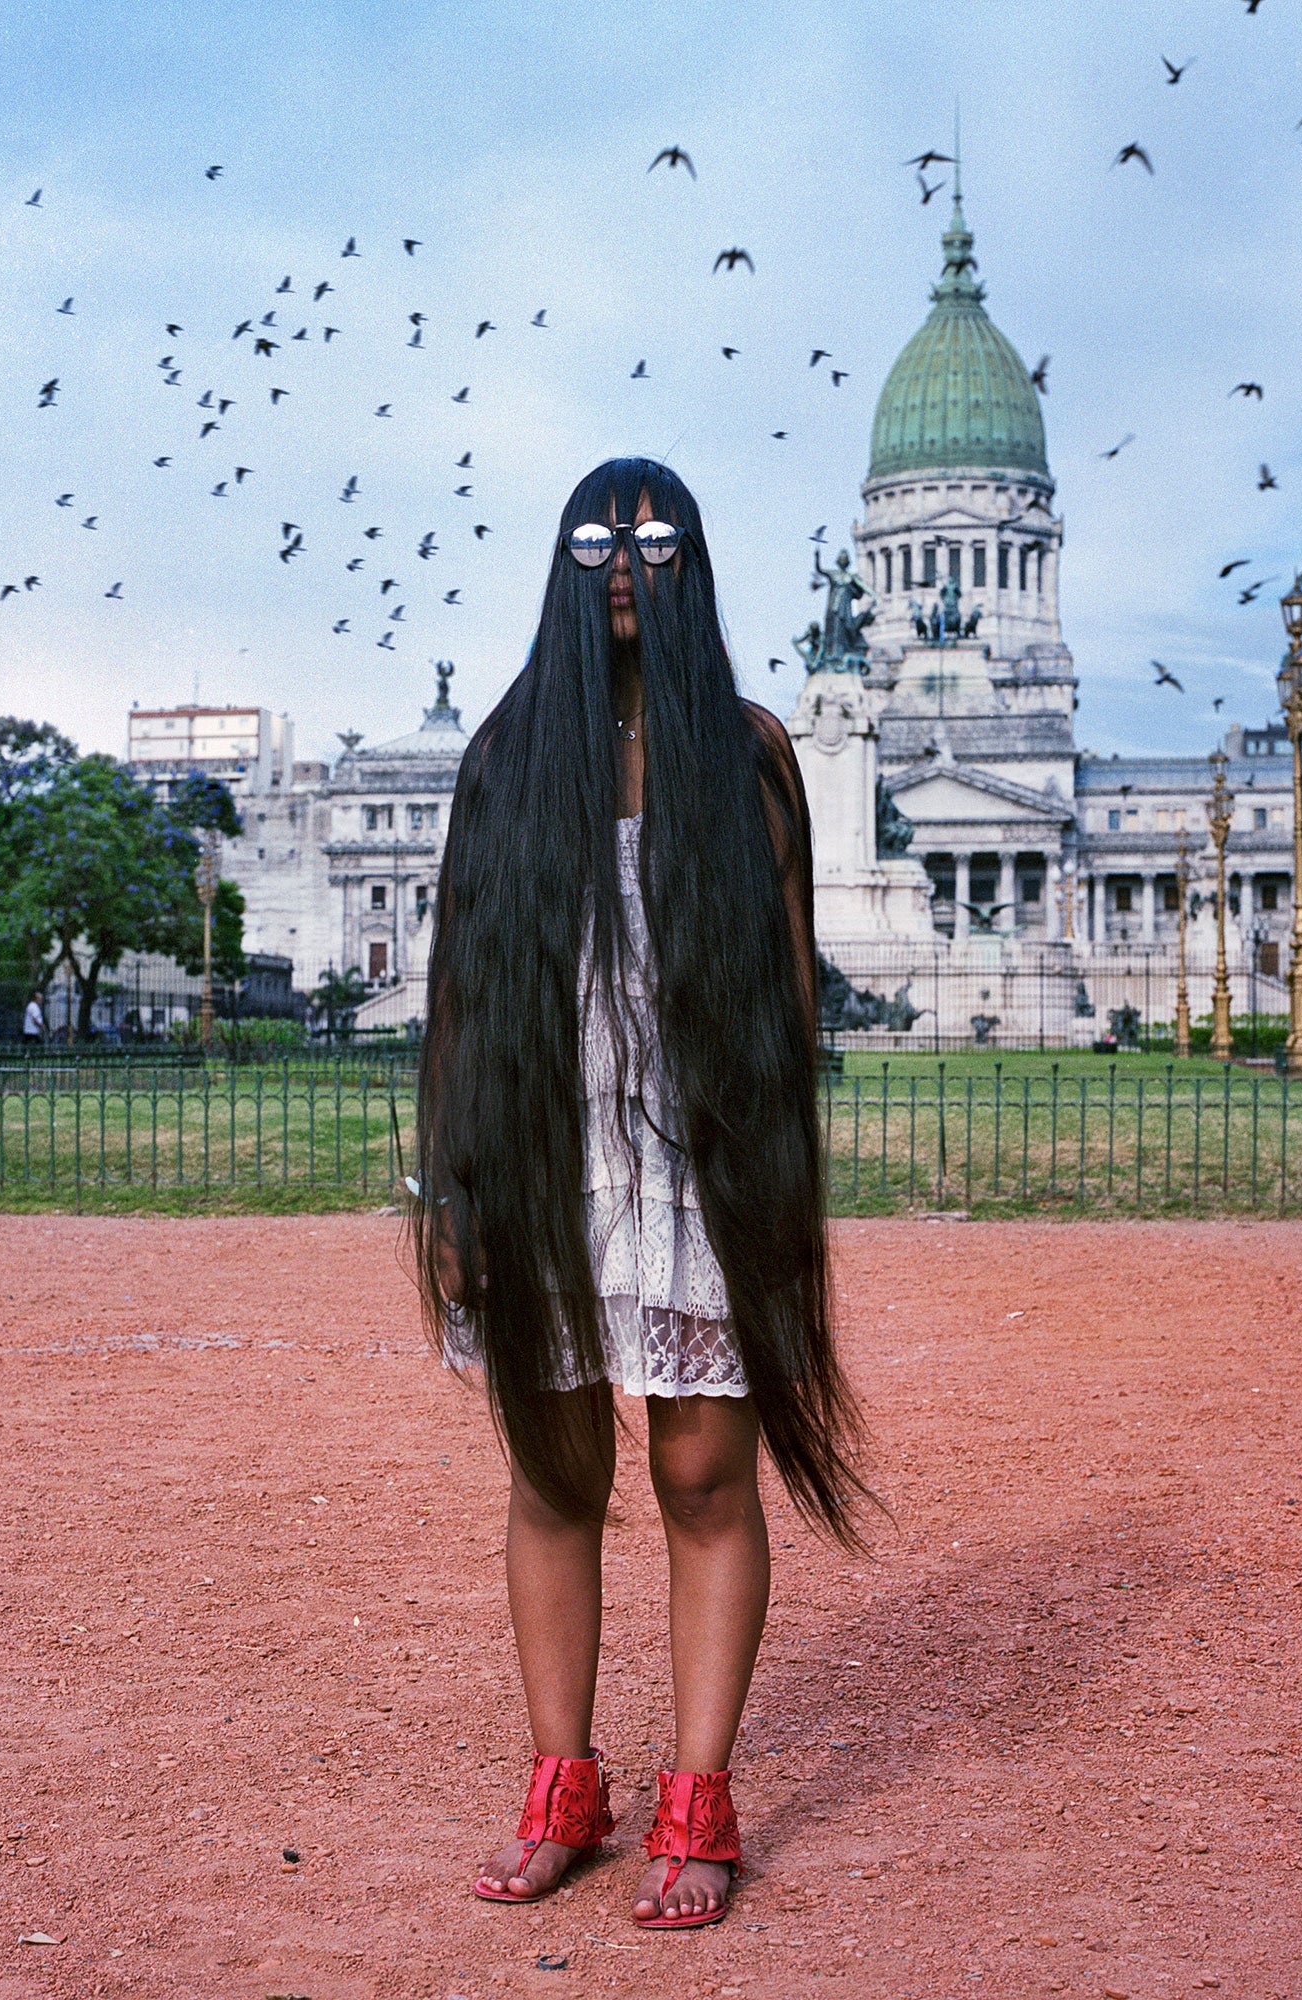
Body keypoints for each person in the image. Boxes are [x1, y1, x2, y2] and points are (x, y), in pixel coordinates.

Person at [414, 458, 870, 1932]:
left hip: (699, 1157)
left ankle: (699, 1792)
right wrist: (454, 1196)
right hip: (542, 1152)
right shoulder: (504, 757)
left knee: (699, 1476)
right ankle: (563, 1781)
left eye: (657, 538)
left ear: (693, 566)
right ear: (560, 564)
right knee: (554, 1479)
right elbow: (463, 1003)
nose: (625, 558)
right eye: (598, 538)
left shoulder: (745, 755)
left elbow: (792, 994)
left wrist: (783, 1191)